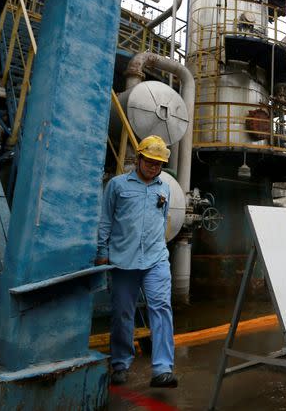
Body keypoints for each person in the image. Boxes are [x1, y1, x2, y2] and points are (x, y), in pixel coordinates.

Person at [96, 135, 178, 388]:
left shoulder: (164, 187)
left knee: (162, 308)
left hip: (156, 259)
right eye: (150, 162)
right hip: (123, 261)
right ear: (139, 159)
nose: (154, 167)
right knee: (122, 313)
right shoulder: (117, 186)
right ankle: (120, 364)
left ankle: (162, 368)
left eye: (159, 164)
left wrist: (161, 248)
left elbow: (162, 220)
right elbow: (106, 220)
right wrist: (102, 251)